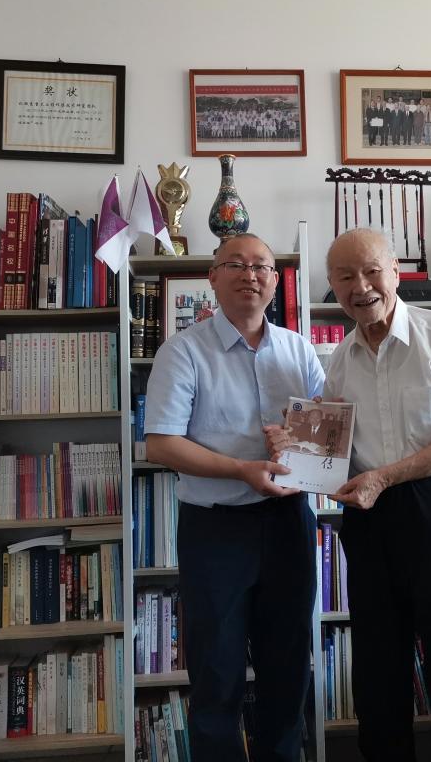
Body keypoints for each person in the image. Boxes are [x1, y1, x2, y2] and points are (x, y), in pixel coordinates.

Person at [268, 228, 431, 762]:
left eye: (372, 271)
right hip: (371, 521)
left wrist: (384, 477)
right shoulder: (338, 362)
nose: (361, 286)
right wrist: (292, 448)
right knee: (378, 672)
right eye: (346, 276)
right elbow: (333, 455)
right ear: (333, 284)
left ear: (396, 271)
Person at [145, 233, 324, 762]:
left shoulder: (298, 349)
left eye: (262, 266)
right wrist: (242, 470)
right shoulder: (183, 351)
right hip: (216, 529)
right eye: (236, 265)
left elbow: (327, 434)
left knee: (288, 667)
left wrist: (302, 442)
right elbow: (162, 444)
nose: (251, 275)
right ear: (213, 277)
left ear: (275, 280)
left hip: (288, 520)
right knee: (216, 672)